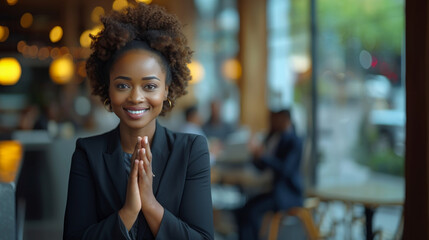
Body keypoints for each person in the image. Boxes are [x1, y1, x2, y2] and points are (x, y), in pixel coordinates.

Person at [63, 3, 214, 239]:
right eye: (122, 85)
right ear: (108, 88)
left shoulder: (191, 151)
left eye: (150, 86)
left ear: (166, 90)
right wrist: (129, 212)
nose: (135, 97)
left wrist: (150, 204)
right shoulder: (87, 153)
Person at [236, 109, 303, 240]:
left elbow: (285, 170)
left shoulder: (294, 141)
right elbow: (261, 168)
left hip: (287, 193)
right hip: (272, 191)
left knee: (252, 212)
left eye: (276, 119)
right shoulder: (272, 137)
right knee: (243, 210)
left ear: (285, 119)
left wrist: (264, 156)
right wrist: (256, 156)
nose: (272, 123)